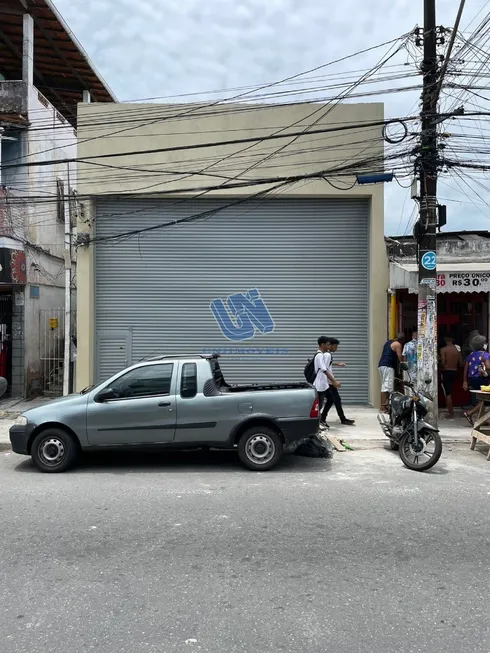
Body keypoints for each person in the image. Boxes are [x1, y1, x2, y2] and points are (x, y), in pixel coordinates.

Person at [321, 338, 355, 426]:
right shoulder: (328, 355)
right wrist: (333, 381)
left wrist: (337, 364)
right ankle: (323, 419)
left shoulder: (326, 354)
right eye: (336, 346)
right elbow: (324, 368)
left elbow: (326, 364)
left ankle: (341, 418)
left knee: (336, 400)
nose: (336, 348)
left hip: (328, 382)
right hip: (328, 382)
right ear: (330, 345)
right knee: (332, 400)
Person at [462, 335, 490, 425]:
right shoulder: (485, 355)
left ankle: (481, 420)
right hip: (481, 379)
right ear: (482, 345)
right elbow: (488, 367)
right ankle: (469, 413)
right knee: (485, 400)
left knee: (479, 400)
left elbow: (465, 369)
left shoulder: (470, 355)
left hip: (471, 380)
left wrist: (465, 381)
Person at [313, 336, 339, 430]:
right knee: (318, 406)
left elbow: (327, 366)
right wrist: (333, 381)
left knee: (331, 399)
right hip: (320, 385)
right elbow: (324, 369)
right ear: (322, 344)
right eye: (327, 344)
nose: (329, 346)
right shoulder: (320, 355)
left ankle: (322, 419)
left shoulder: (323, 354)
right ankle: (316, 423)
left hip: (324, 384)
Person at [378, 333, 405, 413]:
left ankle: (383, 407)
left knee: (384, 386)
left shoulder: (388, 342)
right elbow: (399, 356)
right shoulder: (398, 344)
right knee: (388, 387)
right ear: (402, 340)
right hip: (388, 366)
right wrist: (404, 364)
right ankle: (383, 408)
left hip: (381, 365)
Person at [440, 335, 462, 419]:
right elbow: (461, 361)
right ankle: (450, 411)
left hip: (446, 371)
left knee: (447, 393)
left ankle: (451, 413)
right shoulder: (457, 349)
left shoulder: (443, 349)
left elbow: (443, 362)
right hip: (454, 371)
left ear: (446, 340)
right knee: (450, 391)